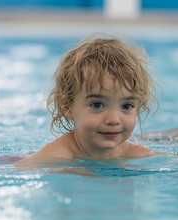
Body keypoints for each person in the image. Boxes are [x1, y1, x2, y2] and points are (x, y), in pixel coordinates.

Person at [19, 34, 159, 164]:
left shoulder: (135, 153)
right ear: (67, 106)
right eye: (97, 105)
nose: (114, 120)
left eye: (127, 106)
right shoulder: (54, 157)